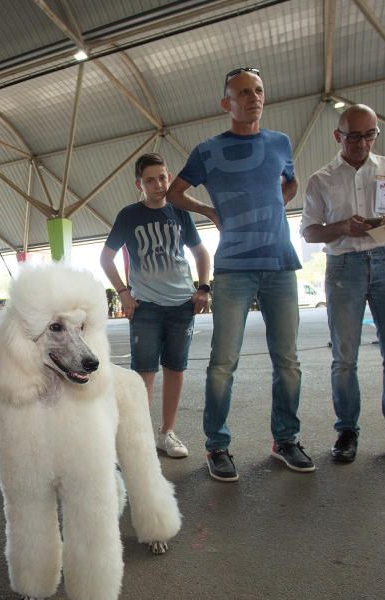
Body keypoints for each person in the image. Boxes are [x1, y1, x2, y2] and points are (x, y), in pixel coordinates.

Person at [167, 66, 309, 481]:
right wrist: (210, 210)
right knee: (222, 363)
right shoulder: (208, 150)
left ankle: (286, 440)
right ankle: (217, 447)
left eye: (259, 90)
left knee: (288, 361)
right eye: (243, 92)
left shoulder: (280, 142)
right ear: (226, 103)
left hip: (280, 263)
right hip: (232, 268)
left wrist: (271, 210)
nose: (254, 97)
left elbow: (290, 184)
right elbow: (176, 192)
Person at [301, 104, 385, 467]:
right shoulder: (322, 179)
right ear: (338, 136)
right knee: (344, 357)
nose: (362, 143)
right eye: (354, 136)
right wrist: (344, 227)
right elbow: (310, 231)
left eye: (369, 134)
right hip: (344, 266)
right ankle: (347, 430)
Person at [100, 152, 211, 459]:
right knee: (143, 375)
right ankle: (139, 439)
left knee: (175, 369)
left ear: (168, 175)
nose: (159, 184)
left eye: (162, 177)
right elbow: (105, 258)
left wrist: (203, 287)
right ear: (139, 183)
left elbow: (201, 253)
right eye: (150, 179)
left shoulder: (180, 212)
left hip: (181, 306)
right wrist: (123, 292)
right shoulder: (129, 216)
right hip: (145, 306)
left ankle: (167, 433)